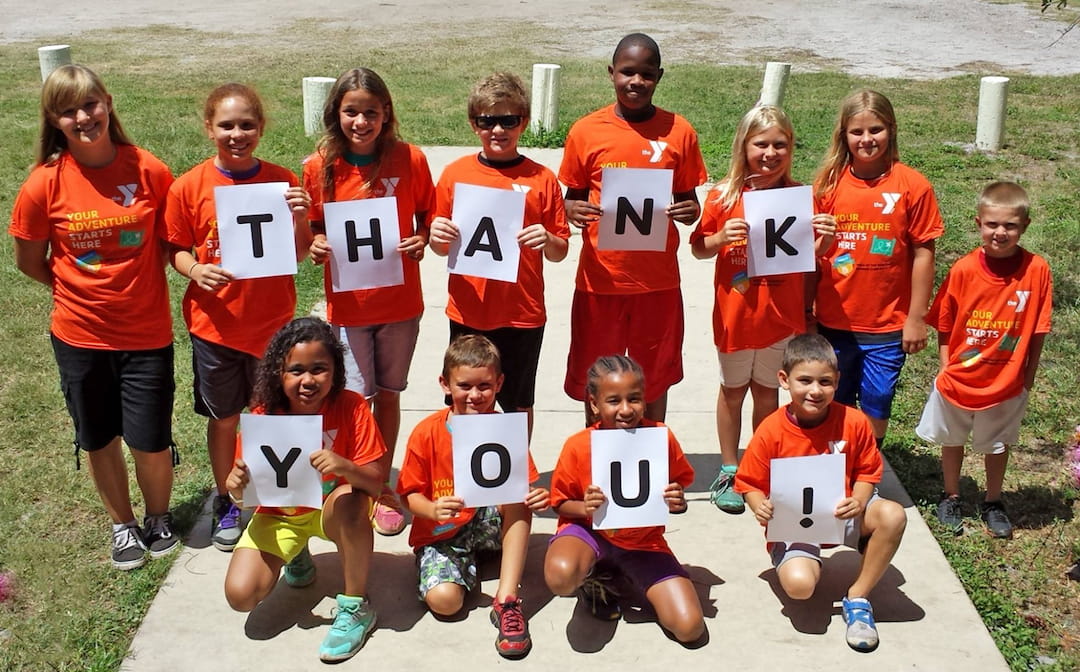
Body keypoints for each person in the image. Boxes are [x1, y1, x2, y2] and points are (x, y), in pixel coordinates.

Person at [10, 64, 178, 570]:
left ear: (108, 102)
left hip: (147, 333)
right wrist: (76, 291)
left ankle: (157, 516)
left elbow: (173, 242)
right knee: (99, 437)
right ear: (54, 121)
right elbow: (28, 260)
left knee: (150, 438)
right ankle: (123, 524)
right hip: (80, 336)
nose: (83, 117)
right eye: (69, 110)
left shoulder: (148, 169)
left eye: (90, 104)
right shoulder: (44, 184)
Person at [164, 83, 312, 552]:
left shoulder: (283, 181)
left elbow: (301, 252)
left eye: (247, 124)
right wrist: (194, 268)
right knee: (225, 417)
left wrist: (303, 217)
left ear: (261, 128)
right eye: (226, 125)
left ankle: (279, 497)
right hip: (216, 327)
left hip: (272, 327)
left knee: (273, 415)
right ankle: (227, 497)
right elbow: (175, 247)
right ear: (209, 128)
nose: (237, 133)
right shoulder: (189, 186)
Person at [306, 67, 435, 536]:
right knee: (357, 398)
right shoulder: (319, 165)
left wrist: (420, 239)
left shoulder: (410, 158)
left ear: (387, 115)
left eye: (371, 113)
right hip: (349, 306)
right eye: (351, 112)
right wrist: (316, 240)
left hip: (400, 302)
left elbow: (428, 215)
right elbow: (315, 224)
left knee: (390, 394)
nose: (361, 122)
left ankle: (381, 483)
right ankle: (357, 482)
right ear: (335, 113)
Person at [690, 105, 836, 514]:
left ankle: (761, 466)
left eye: (780, 145)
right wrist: (719, 237)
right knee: (733, 392)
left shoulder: (801, 197)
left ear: (791, 149)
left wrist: (823, 238)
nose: (770, 153)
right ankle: (729, 467)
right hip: (736, 318)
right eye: (761, 144)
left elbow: (809, 258)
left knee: (767, 395)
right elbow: (699, 248)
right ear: (743, 146)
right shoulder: (724, 196)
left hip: (780, 318)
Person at [559, 32, 708, 425]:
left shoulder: (679, 132)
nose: (636, 82)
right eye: (627, 72)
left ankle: (652, 450)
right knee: (596, 377)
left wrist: (689, 210)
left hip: (656, 283)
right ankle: (595, 452)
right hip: (600, 281)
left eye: (646, 74)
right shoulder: (586, 131)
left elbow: (691, 202)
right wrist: (573, 210)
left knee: (654, 376)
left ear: (659, 76)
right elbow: (571, 196)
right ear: (611, 73)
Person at [223, 317, 385, 662]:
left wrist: (345, 467)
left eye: (319, 369)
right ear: (278, 373)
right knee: (241, 594)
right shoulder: (263, 415)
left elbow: (375, 483)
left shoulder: (353, 406)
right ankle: (295, 554)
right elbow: (245, 496)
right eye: (296, 370)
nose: (308, 380)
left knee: (352, 502)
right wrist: (234, 487)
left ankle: (356, 607)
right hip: (281, 514)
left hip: (333, 511)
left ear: (336, 370)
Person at [734, 333, 907, 652]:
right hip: (795, 523)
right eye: (805, 380)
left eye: (825, 382)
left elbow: (868, 471)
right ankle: (797, 558)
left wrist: (859, 499)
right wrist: (759, 505)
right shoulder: (771, 430)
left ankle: (857, 597)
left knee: (893, 515)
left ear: (837, 381)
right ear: (784, 380)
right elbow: (749, 482)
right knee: (800, 587)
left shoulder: (854, 422)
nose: (815, 390)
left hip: (845, 512)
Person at [429, 72, 570, 437]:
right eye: (487, 121)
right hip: (468, 309)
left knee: (518, 402)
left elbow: (560, 250)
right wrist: (437, 235)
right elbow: (440, 244)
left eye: (508, 120)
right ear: (473, 124)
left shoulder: (542, 179)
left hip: (521, 313)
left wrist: (547, 238)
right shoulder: (454, 175)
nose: (497, 130)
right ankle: (464, 472)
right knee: (465, 399)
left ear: (523, 122)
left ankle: (514, 474)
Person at [396, 334, 550, 659]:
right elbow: (407, 495)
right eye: (464, 385)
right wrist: (432, 508)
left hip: (489, 522)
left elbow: (523, 483)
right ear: (445, 384)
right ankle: (451, 566)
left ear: (499, 384)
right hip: (443, 533)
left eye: (484, 386)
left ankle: (507, 599)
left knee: (519, 498)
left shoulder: (503, 428)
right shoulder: (427, 433)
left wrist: (536, 496)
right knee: (446, 603)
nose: (475, 395)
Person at [915, 181, 1052, 539]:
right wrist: (946, 365)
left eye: (1009, 225)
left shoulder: (1037, 271)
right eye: (992, 224)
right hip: (959, 380)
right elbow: (945, 322)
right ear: (978, 223)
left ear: (1025, 225)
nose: (1000, 232)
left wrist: (1028, 377)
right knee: (952, 439)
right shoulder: (963, 269)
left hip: (1006, 382)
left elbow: (1038, 330)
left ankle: (993, 500)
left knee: (997, 443)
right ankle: (951, 495)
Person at [544, 355, 705, 646]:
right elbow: (560, 502)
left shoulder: (660, 436)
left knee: (690, 628)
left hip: (643, 542)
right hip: (589, 533)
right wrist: (585, 507)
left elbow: (680, 482)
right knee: (561, 577)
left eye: (634, 399)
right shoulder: (578, 445)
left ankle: (626, 574)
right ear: (594, 404)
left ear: (645, 400)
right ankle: (593, 575)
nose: (626, 410)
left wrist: (676, 499)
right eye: (613, 401)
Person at [812, 90, 943, 447]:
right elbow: (811, 254)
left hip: (886, 327)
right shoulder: (826, 185)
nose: (867, 139)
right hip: (834, 321)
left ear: (892, 129)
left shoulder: (913, 186)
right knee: (834, 399)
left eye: (876, 130)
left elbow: (923, 254)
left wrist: (916, 318)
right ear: (843, 135)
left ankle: (867, 468)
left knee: (877, 402)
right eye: (857, 132)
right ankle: (833, 467)